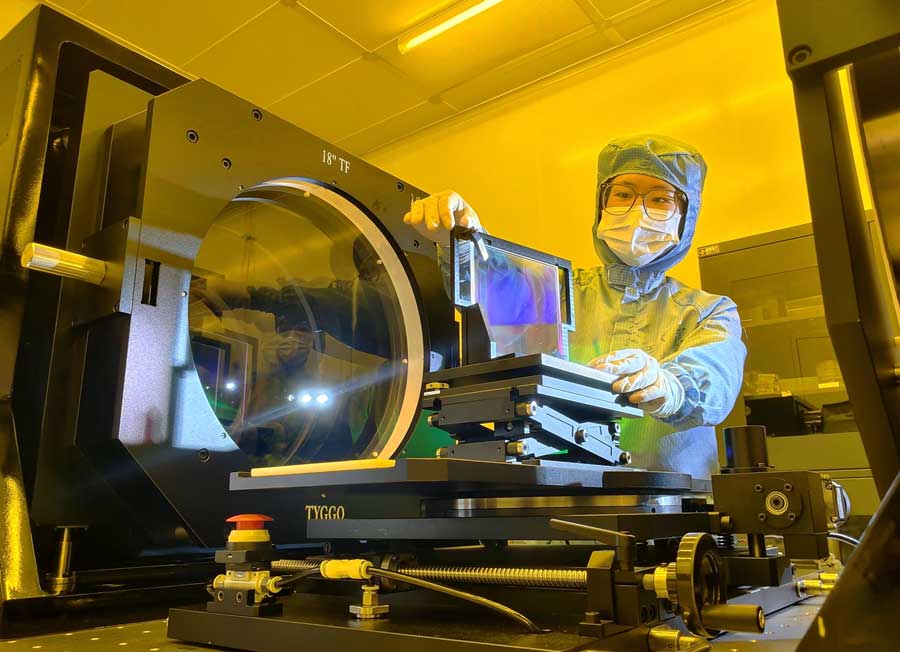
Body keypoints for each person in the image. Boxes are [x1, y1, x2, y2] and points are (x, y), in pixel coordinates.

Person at [404, 134, 746, 478]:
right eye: (623, 194)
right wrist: (460, 240)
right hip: (566, 497)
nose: (637, 211)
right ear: (601, 203)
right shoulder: (559, 291)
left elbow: (714, 376)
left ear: (687, 216)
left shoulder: (709, 311)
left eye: (660, 199)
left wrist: (669, 386)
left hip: (672, 503)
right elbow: (497, 296)